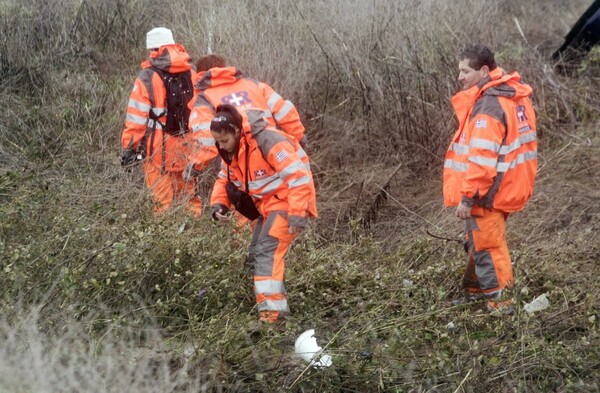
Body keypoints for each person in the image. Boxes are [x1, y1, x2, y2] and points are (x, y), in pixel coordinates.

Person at [443, 44, 538, 314]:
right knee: (480, 239)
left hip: (488, 193)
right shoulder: (513, 95)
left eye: (465, 71)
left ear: (484, 70)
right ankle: (475, 290)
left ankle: (503, 305)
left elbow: (482, 161)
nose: (460, 77)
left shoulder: (488, 105)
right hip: (508, 186)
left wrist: (468, 197)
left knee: (489, 246)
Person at [209, 104, 317, 324]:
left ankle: (273, 318)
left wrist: (297, 214)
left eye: (225, 141)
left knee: (266, 252)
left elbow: (299, 177)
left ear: (237, 131)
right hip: (266, 207)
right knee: (254, 255)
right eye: (218, 142)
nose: (222, 147)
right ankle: (264, 306)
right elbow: (224, 179)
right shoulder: (231, 151)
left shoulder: (268, 141)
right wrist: (219, 205)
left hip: (288, 203)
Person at [183, 54, 307, 182]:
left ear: (200, 74)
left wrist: (195, 166)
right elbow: (285, 111)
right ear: (225, 68)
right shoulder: (254, 85)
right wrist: (299, 138)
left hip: (236, 163)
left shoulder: (204, 99)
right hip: (270, 149)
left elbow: (206, 140)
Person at [120, 27, 200, 216]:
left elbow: (136, 119)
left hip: (158, 153)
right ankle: (194, 238)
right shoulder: (192, 71)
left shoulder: (147, 77)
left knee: (161, 203)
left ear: (153, 50)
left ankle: (165, 242)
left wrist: (129, 149)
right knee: (190, 200)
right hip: (189, 149)